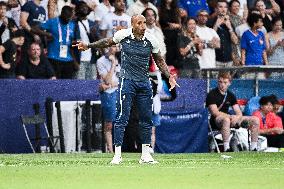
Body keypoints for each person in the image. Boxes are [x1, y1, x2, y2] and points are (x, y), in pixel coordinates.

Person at [74, 15, 178, 164]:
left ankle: (145, 155)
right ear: (133, 25)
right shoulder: (123, 35)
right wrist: (89, 46)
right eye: (139, 23)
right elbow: (106, 42)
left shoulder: (151, 39)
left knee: (146, 119)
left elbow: (159, 60)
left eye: (144, 23)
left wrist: (169, 76)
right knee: (122, 117)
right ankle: (117, 155)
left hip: (144, 83)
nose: (143, 26)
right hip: (127, 81)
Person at [206, 72, 259, 151]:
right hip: (216, 120)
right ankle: (226, 148)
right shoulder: (211, 94)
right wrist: (230, 117)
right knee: (226, 120)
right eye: (220, 82)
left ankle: (254, 148)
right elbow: (215, 112)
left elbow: (239, 112)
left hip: (231, 119)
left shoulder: (230, 95)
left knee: (255, 119)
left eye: (225, 82)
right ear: (217, 82)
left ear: (229, 83)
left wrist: (236, 118)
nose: (222, 85)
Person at [34, 6, 78, 79]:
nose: (68, 19)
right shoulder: (52, 22)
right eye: (66, 17)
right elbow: (34, 28)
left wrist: (75, 61)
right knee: (54, 85)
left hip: (68, 60)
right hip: (53, 58)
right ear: (61, 14)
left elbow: (72, 43)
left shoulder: (72, 24)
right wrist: (46, 34)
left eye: (69, 17)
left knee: (67, 86)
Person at [96, 45, 120, 153]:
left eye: (115, 46)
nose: (112, 48)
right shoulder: (100, 61)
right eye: (110, 46)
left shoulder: (123, 58)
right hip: (109, 94)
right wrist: (113, 64)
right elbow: (108, 81)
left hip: (120, 92)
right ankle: (110, 150)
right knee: (109, 124)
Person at [207, 0, 238, 68]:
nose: (223, 9)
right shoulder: (210, 22)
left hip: (228, 60)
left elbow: (235, 41)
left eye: (225, 7)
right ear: (216, 9)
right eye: (220, 7)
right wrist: (216, 25)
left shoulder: (230, 23)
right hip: (215, 60)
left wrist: (230, 28)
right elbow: (208, 40)